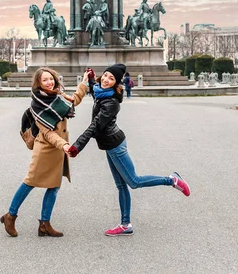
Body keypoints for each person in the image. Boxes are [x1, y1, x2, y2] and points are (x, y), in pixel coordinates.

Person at [67, 63, 190, 237]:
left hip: (115, 146)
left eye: (112, 78)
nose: (107, 80)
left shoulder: (111, 103)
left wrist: (77, 146)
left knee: (134, 181)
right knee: (121, 185)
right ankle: (126, 225)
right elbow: (95, 91)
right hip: (110, 146)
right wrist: (92, 78)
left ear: (116, 82)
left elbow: (94, 127)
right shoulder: (103, 92)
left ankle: (171, 180)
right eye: (106, 76)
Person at [0, 67, 90, 238]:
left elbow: (74, 100)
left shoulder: (58, 96)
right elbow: (48, 133)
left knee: (54, 186)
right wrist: (64, 145)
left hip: (58, 149)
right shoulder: (38, 104)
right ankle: (10, 216)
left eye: (51, 79)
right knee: (30, 182)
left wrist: (84, 81)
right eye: (45, 80)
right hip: (46, 149)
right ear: (38, 84)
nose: (49, 82)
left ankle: (44, 224)